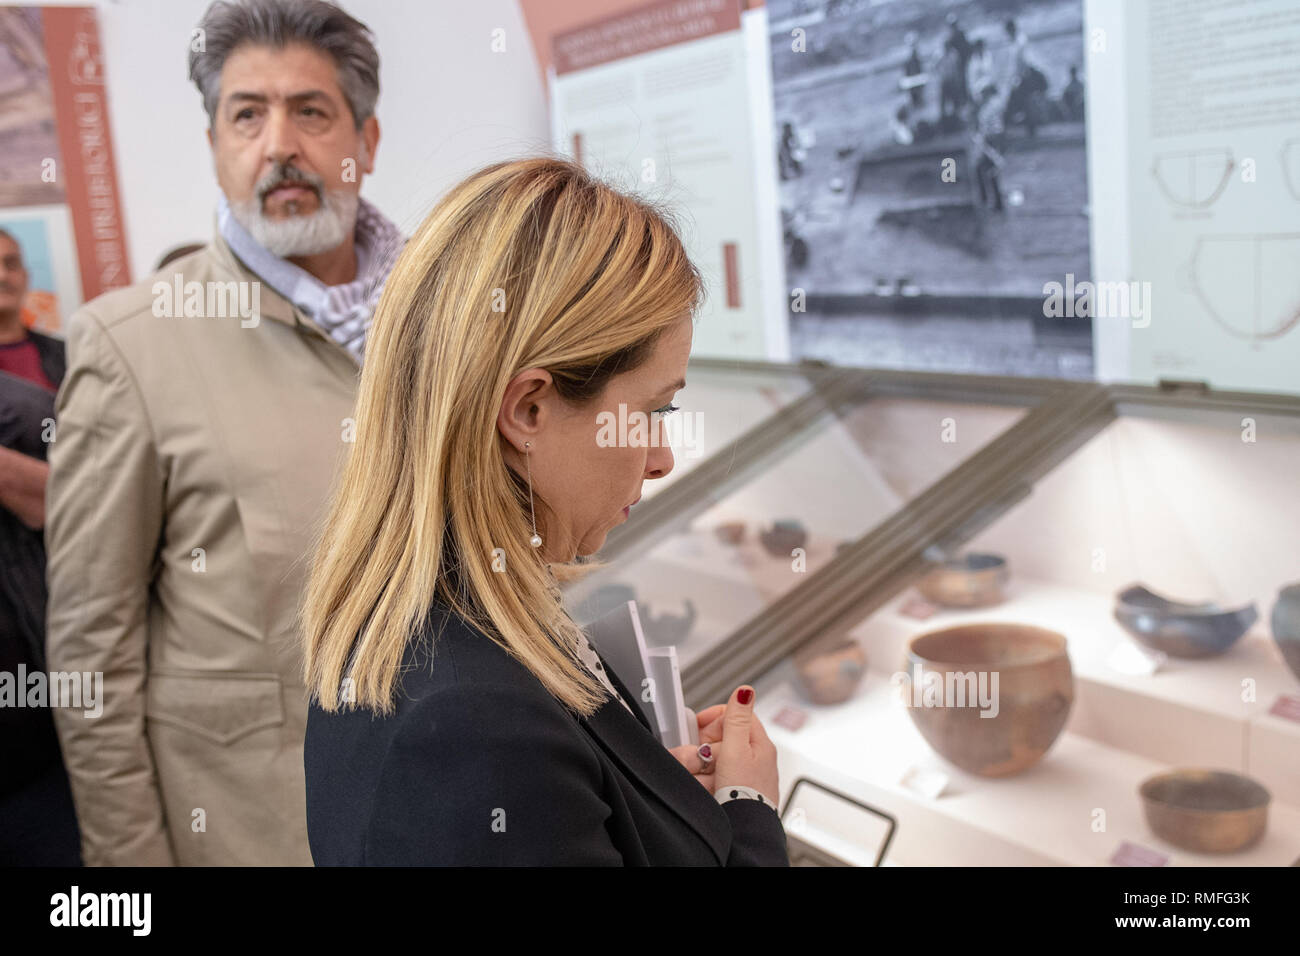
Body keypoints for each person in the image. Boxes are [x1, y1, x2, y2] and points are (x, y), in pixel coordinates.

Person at [302, 158, 790, 866]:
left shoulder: (446, 621)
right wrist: (750, 817)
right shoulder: (477, 730)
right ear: (529, 409)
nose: (661, 457)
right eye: (654, 410)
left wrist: (651, 808)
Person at [45, 0, 403, 866]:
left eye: (311, 112)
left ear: (367, 138)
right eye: (247, 114)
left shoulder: (450, 319)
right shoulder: (131, 347)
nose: (279, 144)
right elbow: (91, 655)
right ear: (215, 145)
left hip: (452, 814)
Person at [0, 228, 81, 865]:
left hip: (66, 608)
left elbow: (93, 490)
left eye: (10, 263)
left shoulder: (69, 356)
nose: (3, 275)